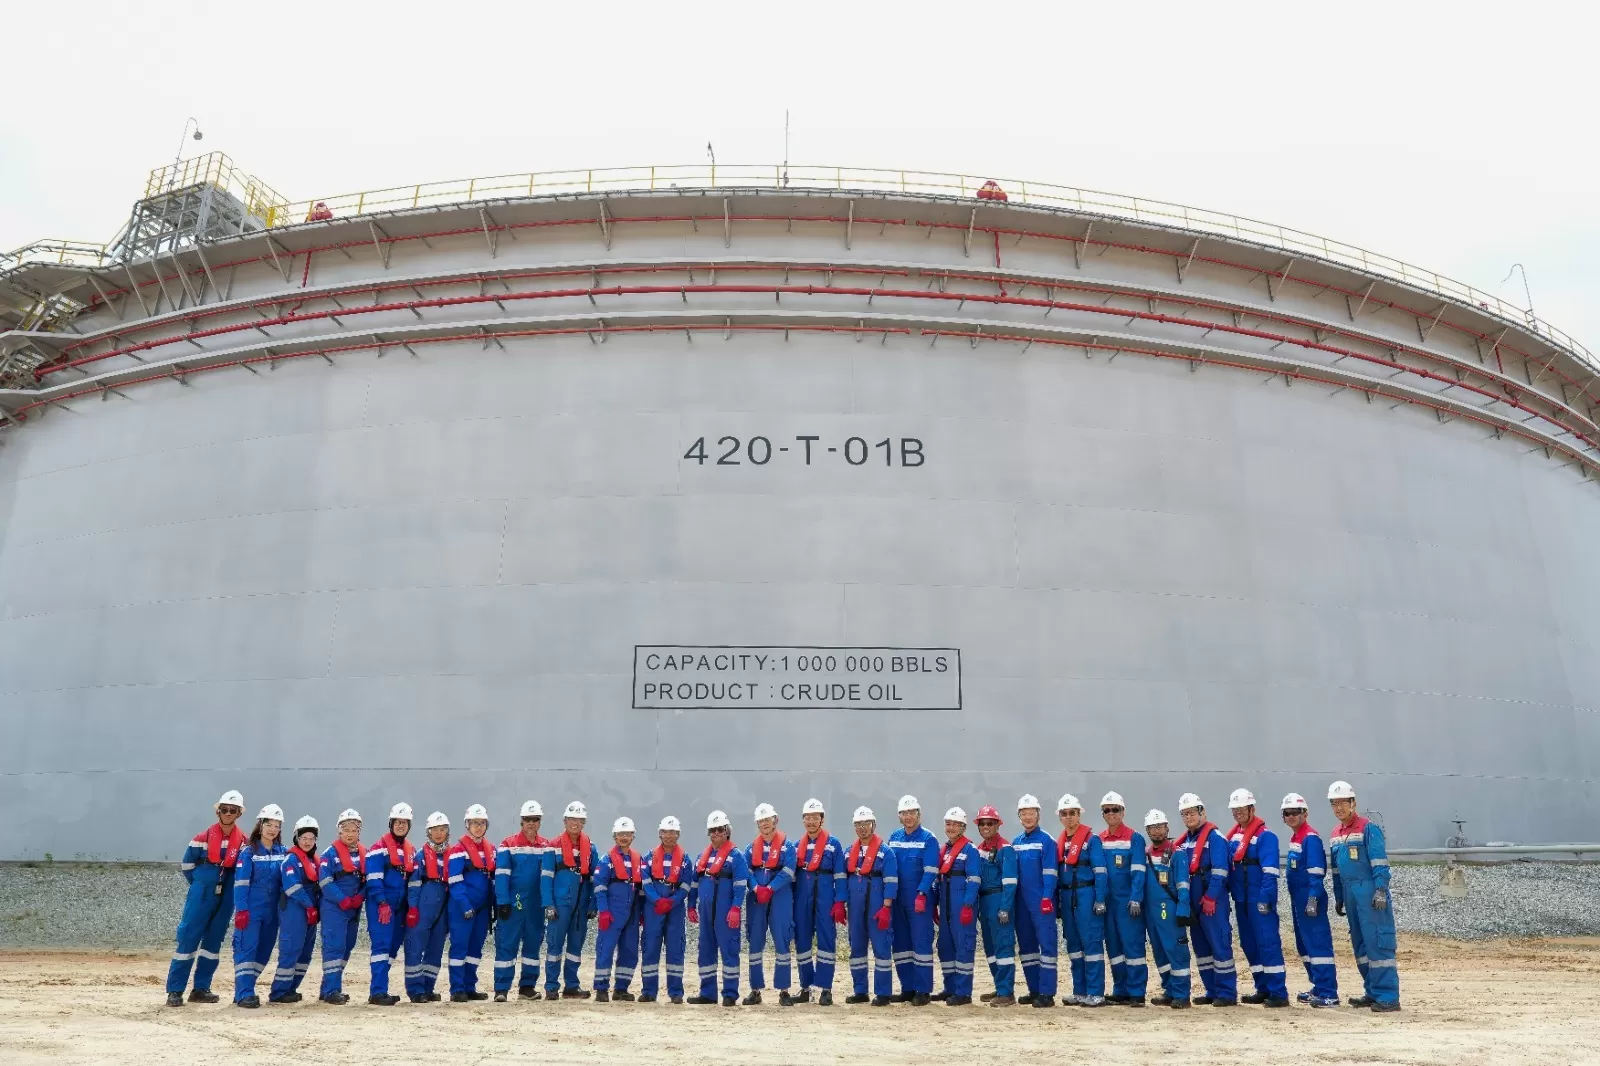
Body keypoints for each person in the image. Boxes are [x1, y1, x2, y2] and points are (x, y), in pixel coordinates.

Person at [167, 790, 248, 1007]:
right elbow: (187, 865)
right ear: (218, 811)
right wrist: (201, 885)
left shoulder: (243, 842)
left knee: (213, 941)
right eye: (224, 809)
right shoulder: (201, 839)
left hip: (227, 894)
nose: (228, 813)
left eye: (232, 810)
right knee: (189, 937)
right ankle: (175, 990)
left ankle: (201, 988)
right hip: (202, 894)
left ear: (239, 813)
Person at [1328, 781, 1400, 1012]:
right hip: (1350, 893)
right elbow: (1336, 870)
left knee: (1378, 941)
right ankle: (1372, 992)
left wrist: (1381, 889)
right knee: (1360, 943)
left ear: (1353, 803)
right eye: (1334, 804)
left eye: (1342, 803)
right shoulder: (1336, 834)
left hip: (1369, 893)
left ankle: (1388, 996)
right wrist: (1339, 896)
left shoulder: (1368, 828)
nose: (1338, 808)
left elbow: (1379, 862)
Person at [1226, 789, 1288, 1007]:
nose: (1238, 813)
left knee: (1267, 943)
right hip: (1241, 899)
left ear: (1252, 809)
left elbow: (1270, 872)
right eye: (1235, 810)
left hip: (1258, 899)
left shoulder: (1266, 836)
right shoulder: (1235, 837)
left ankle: (1278, 992)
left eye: (1242, 809)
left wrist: (1264, 898)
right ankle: (1262, 988)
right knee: (1249, 944)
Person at [1175, 794, 1236, 1006]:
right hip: (1193, 901)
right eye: (1184, 814)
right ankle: (1211, 990)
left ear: (1202, 812)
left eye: (1192, 812)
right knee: (1201, 948)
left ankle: (1226, 993)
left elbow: (1220, 871)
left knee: (1219, 944)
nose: (1188, 817)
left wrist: (1211, 897)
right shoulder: (1186, 841)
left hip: (1212, 901)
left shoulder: (1215, 838)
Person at [1280, 794, 1338, 1007]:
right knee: (1304, 945)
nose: (1291, 816)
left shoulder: (1310, 838)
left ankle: (1329, 993)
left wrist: (1313, 898)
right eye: (1287, 813)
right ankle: (1318, 986)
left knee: (1318, 944)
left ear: (1305, 814)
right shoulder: (1296, 837)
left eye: (1295, 812)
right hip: (1299, 900)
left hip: (1309, 899)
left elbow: (1316, 872)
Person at [493, 800, 553, 1002]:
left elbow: (550, 876)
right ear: (522, 821)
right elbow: (501, 874)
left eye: (535, 819)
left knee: (533, 944)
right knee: (507, 944)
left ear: (540, 822)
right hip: (514, 902)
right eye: (527, 819)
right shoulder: (508, 844)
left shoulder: (546, 846)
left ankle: (527, 987)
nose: (531, 823)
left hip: (536, 904)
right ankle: (501, 989)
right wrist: (502, 902)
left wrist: (548, 902)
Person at [688, 809, 748, 1006]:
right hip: (705, 912)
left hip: (726, 912)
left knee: (729, 950)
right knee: (705, 950)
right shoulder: (701, 857)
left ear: (727, 831)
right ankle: (708, 993)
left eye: (720, 829)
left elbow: (740, 885)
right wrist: (691, 906)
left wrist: (736, 908)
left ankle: (730, 994)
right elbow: (694, 884)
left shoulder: (736, 856)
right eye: (712, 830)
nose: (716, 833)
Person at [792, 798, 847, 1006]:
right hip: (802, 899)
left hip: (826, 899)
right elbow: (792, 878)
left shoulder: (833, 845)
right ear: (803, 820)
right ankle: (806, 987)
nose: (811, 821)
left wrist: (840, 901)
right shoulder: (796, 847)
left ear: (822, 819)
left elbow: (840, 875)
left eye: (815, 817)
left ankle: (825, 988)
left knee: (826, 942)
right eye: (808, 817)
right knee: (802, 942)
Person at [231, 804, 287, 1007]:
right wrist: (241, 909)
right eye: (269, 825)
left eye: (277, 826)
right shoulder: (249, 852)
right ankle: (244, 993)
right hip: (251, 911)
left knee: (264, 951)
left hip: (272, 912)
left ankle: (245, 988)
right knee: (247, 949)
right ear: (260, 825)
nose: (272, 829)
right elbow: (241, 883)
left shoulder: (283, 852)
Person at [887, 795, 940, 1006]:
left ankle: (923, 990)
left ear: (919, 814)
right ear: (899, 816)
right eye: (904, 813)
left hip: (919, 900)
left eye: (912, 813)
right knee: (901, 944)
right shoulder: (894, 837)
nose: (908, 817)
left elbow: (931, 870)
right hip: (897, 899)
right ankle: (907, 988)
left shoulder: (929, 839)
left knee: (921, 943)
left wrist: (922, 893)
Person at [1056, 794, 1108, 1007]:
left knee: (1091, 943)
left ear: (1079, 815)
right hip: (1068, 897)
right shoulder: (1061, 842)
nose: (1068, 817)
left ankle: (1096, 993)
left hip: (1086, 895)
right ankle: (1080, 991)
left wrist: (1100, 899)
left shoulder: (1091, 840)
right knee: (1074, 946)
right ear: (1060, 816)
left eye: (1072, 813)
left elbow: (1101, 871)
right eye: (1064, 813)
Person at [743, 802, 797, 1005]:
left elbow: (789, 871)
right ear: (757, 823)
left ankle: (784, 990)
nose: (764, 823)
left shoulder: (788, 847)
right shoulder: (750, 849)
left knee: (782, 940)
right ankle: (755, 990)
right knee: (755, 941)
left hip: (780, 896)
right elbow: (746, 872)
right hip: (756, 898)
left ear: (775, 820)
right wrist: (757, 888)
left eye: (767, 819)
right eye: (761, 820)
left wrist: (771, 888)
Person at [1098, 792, 1148, 1005]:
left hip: (1127, 903)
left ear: (1123, 812)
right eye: (1107, 810)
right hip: (1107, 903)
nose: (1111, 813)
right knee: (1114, 947)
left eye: (1115, 809)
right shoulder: (1099, 839)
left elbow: (1138, 871)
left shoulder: (1134, 838)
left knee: (1132, 945)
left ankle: (1137, 992)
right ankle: (1121, 989)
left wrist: (1136, 898)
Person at [843, 805, 896, 1006]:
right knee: (856, 948)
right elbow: (842, 880)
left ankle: (883, 993)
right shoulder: (849, 852)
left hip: (878, 907)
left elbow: (891, 881)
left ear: (874, 825)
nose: (862, 827)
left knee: (881, 948)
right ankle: (860, 991)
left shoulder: (886, 852)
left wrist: (886, 907)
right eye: (858, 824)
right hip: (855, 907)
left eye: (866, 823)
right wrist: (841, 904)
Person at [364, 802, 415, 1006]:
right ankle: (377, 992)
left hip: (399, 906)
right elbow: (373, 878)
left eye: (405, 822)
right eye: (398, 822)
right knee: (382, 946)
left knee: (393, 947)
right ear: (391, 823)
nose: (401, 826)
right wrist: (382, 902)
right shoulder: (378, 849)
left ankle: (381, 988)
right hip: (381, 905)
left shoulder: (410, 850)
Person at [544, 801, 597, 999]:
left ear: (584, 823)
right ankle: (551, 986)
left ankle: (572, 986)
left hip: (581, 906)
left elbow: (595, 879)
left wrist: (593, 904)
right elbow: (546, 878)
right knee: (554, 946)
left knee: (576, 946)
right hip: (559, 905)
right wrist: (548, 904)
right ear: (564, 821)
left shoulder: (591, 848)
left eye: (579, 820)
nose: (575, 823)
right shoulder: (552, 846)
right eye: (572, 819)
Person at [1009, 794, 1058, 1007]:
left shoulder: (1047, 841)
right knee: (1027, 946)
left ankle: (1047, 993)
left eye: (1031, 813)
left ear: (1038, 815)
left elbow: (1050, 872)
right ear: (1019, 816)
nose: (1028, 817)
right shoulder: (1016, 843)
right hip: (1021, 903)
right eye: (1024, 814)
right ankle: (1034, 989)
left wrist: (1047, 896)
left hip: (1041, 902)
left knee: (1047, 945)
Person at [640, 815, 694, 1003]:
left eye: (673, 832)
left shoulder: (685, 859)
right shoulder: (648, 857)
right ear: (660, 834)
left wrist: (673, 901)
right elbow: (645, 882)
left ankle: (676, 992)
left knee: (675, 948)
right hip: (653, 907)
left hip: (675, 908)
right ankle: (648, 991)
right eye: (666, 832)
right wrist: (657, 900)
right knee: (650, 947)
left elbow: (686, 884)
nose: (669, 835)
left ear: (678, 834)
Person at [1141, 810, 1191, 1008]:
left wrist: (1183, 909)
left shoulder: (1177, 853)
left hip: (1168, 909)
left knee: (1175, 950)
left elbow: (1183, 884)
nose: (1157, 831)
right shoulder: (1145, 854)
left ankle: (1182, 994)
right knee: (1160, 952)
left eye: (1160, 826)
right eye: (1153, 827)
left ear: (1167, 828)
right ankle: (1169, 990)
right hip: (1150, 912)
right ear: (1147, 830)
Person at [269, 815, 322, 1003]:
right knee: (291, 949)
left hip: (310, 910)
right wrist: (310, 906)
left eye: (311, 838)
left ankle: (291, 988)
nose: (307, 842)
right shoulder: (290, 860)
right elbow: (292, 887)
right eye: (303, 838)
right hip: (293, 909)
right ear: (296, 838)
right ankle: (279, 992)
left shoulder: (314, 861)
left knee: (305, 952)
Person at [446, 804, 495, 1002]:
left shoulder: (491, 850)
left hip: (482, 909)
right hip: (462, 908)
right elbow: (454, 880)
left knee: (475, 948)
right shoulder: (458, 850)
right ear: (467, 825)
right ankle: (457, 989)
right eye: (475, 823)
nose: (478, 826)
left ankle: (469, 986)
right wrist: (465, 905)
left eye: (482, 823)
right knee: (459, 946)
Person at [317, 809, 367, 1005]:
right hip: (334, 908)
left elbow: (368, 880)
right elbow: (325, 881)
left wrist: (360, 896)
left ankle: (327, 988)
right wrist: (342, 899)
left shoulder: (364, 854)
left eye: (354, 830)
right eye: (346, 829)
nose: (349, 833)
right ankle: (332, 990)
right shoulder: (329, 854)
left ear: (359, 831)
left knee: (347, 946)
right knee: (334, 947)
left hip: (354, 908)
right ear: (339, 830)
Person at [933, 807, 981, 1006]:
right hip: (945, 906)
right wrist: (934, 905)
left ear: (963, 827)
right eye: (948, 824)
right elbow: (938, 880)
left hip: (962, 906)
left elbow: (974, 879)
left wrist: (968, 904)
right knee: (945, 947)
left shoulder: (970, 850)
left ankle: (963, 992)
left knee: (963, 947)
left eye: (955, 824)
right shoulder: (944, 850)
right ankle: (950, 987)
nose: (951, 828)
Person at [593, 817, 645, 1002]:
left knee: (630, 950)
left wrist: (641, 913)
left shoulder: (638, 859)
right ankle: (601, 989)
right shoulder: (606, 860)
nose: (624, 837)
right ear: (614, 836)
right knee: (605, 949)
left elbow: (642, 889)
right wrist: (603, 911)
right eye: (620, 834)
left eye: (627, 834)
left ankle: (621, 989)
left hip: (632, 911)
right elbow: (599, 886)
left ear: (633, 836)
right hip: (612, 912)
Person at [404, 811, 452, 1003]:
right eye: (434, 830)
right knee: (415, 947)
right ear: (428, 832)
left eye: (442, 829)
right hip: (423, 907)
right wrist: (413, 908)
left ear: (447, 832)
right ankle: (415, 990)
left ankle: (428, 987)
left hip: (443, 908)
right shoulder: (420, 856)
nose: (438, 833)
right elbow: (414, 884)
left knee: (436, 948)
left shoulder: (453, 855)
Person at [972, 805, 1017, 1007]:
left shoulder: (1005, 848)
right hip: (984, 903)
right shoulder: (980, 849)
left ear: (998, 825)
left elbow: (1010, 881)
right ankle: (999, 986)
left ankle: (1007, 993)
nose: (986, 826)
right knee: (990, 948)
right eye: (982, 823)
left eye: (990, 823)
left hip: (999, 901)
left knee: (1003, 946)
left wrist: (1005, 907)